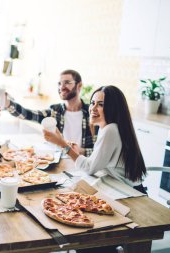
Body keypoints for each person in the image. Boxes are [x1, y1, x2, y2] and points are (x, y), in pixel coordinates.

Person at [44, 85, 147, 253]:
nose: (93, 108)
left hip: (131, 199)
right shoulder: (111, 128)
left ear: (113, 107)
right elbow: (98, 162)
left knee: (86, 240)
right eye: (93, 103)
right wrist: (76, 152)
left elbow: (90, 168)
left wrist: (62, 145)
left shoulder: (110, 130)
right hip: (124, 191)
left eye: (101, 104)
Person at [4, 69, 94, 156]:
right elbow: (27, 114)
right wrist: (8, 103)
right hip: (58, 163)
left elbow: (101, 151)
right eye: (59, 83)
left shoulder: (92, 114)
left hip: (82, 164)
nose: (61, 87)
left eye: (67, 82)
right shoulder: (54, 111)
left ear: (79, 85)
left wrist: (82, 151)